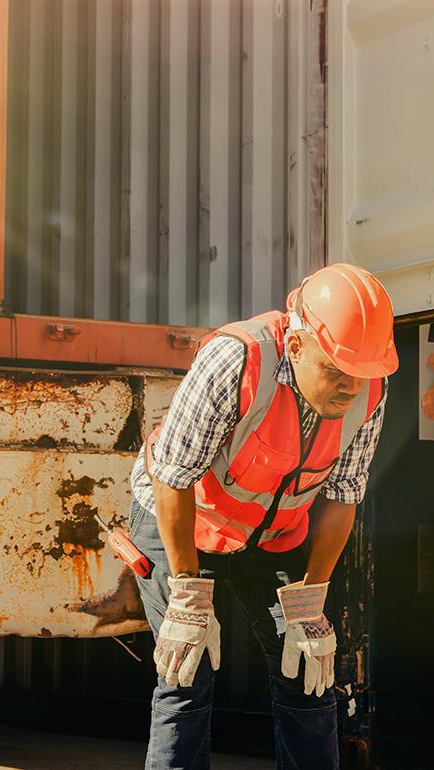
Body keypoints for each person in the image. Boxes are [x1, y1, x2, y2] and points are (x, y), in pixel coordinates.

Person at [127, 263, 398, 770]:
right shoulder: (236, 360)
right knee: (185, 673)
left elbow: (342, 496)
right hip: (185, 518)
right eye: (335, 370)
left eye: (360, 375)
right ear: (296, 348)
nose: (349, 387)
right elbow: (173, 475)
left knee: (309, 675)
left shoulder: (370, 393)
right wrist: (186, 593)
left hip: (272, 535)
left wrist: (311, 601)